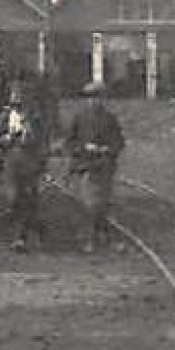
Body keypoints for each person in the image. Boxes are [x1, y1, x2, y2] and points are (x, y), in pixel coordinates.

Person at [67, 81, 125, 252]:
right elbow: (69, 143)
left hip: (104, 165)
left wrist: (107, 149)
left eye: (97, 97)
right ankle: (89, 238)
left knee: (103, 203)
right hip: (85, 165)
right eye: (90, 98)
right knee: (89, 203)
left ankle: (102, 235)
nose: (94, 101)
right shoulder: (79, 118)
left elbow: (119, 142)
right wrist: (83, 148)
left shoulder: (110, 119)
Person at [0, 81, 47, 251]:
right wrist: (5, 140)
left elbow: (43, 141)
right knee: (14, 199)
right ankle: (36, 225)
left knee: (29, 198)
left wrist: (42, 161)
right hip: (11, 162)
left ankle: (21, 236)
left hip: (30, 162)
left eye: (21, 103)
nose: (18, 106)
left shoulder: (36, 117)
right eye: (14, 103)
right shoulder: (5, 117)